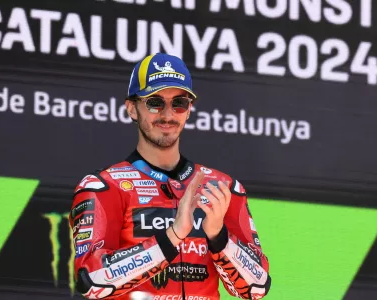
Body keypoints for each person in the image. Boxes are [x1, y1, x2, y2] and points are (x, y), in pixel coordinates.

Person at [69, 53, 271, 300]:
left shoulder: (224, 187)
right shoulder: (103, 187)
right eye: (154, 102)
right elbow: (90, 280)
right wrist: (172, 236)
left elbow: (257, 287)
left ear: (188, 111)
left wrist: (219, 236)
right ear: (132, 108)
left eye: (179, 103)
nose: (167, 114)